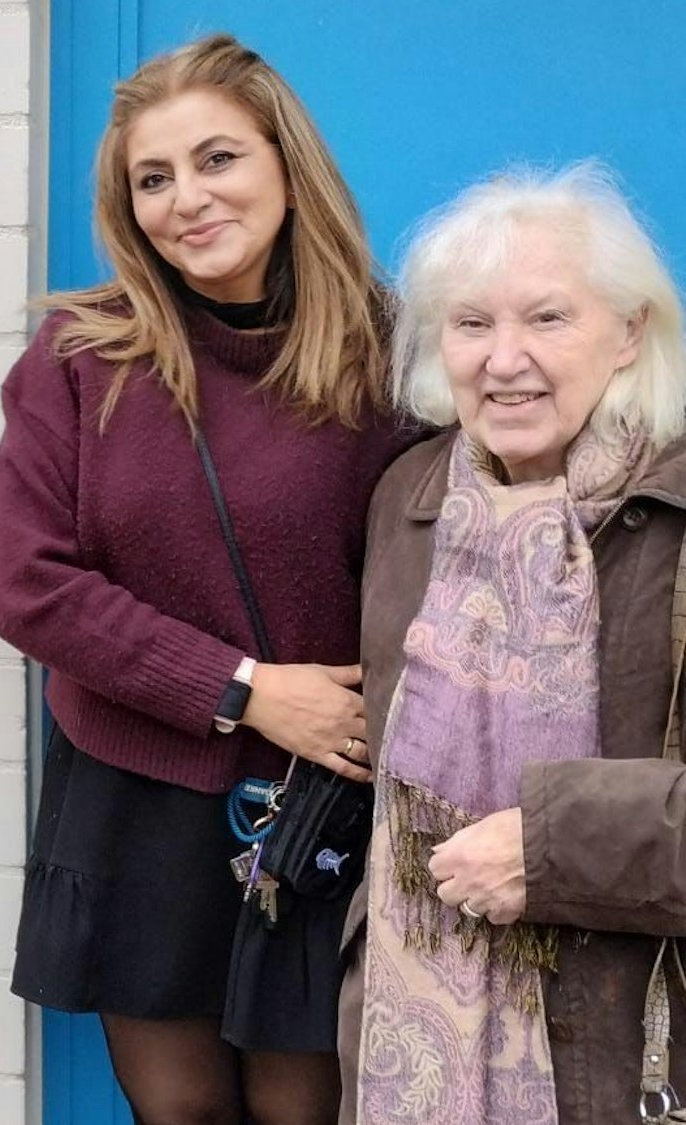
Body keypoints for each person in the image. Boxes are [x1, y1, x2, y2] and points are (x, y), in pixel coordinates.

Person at [0, 34, 418, 1125]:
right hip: (138, 793)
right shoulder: (80, 360)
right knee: (176, 1113)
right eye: (152, 178)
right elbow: (29, 587)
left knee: (305, 1109)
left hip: (325, 798)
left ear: (284, 164)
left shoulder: (390, 355)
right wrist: (238, 685)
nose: (186, 198)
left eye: (216, 158)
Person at [343, 163, 686, 1125]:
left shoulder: (675, 508)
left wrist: (554, 845)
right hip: (411, 1044)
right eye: (471, 323)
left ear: (628, 333)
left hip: (632, 1053)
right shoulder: (409, 501)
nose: (503, 359)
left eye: (546, 318)